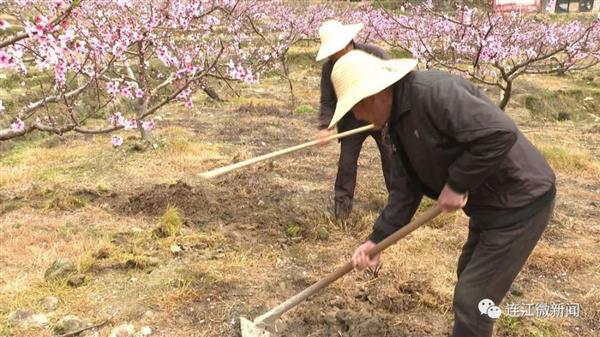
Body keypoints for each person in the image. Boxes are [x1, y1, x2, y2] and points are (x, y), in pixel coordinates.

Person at [329, 50, 556, 337]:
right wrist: (376, 240)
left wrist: (458, 183)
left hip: (521, 200)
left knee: (473, 301)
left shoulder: (435, 93)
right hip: (490, 205)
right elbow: (404, 189)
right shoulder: (396, 122)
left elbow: (499, 133)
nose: (357, 117)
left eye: (356, 108)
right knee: (469, 281)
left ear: (374, 95)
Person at [316, 19, 396, 220]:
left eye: (334, 52)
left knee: (391, 159)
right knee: (346, 164)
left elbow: (395, 83)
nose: (332, 57)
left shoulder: (375, 55)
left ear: (346, 45)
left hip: (381, 117)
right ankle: (342, 211)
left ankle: (398, 207)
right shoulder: (329, 70)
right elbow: (327, 101)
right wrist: (325, 126)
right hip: (352, 120)